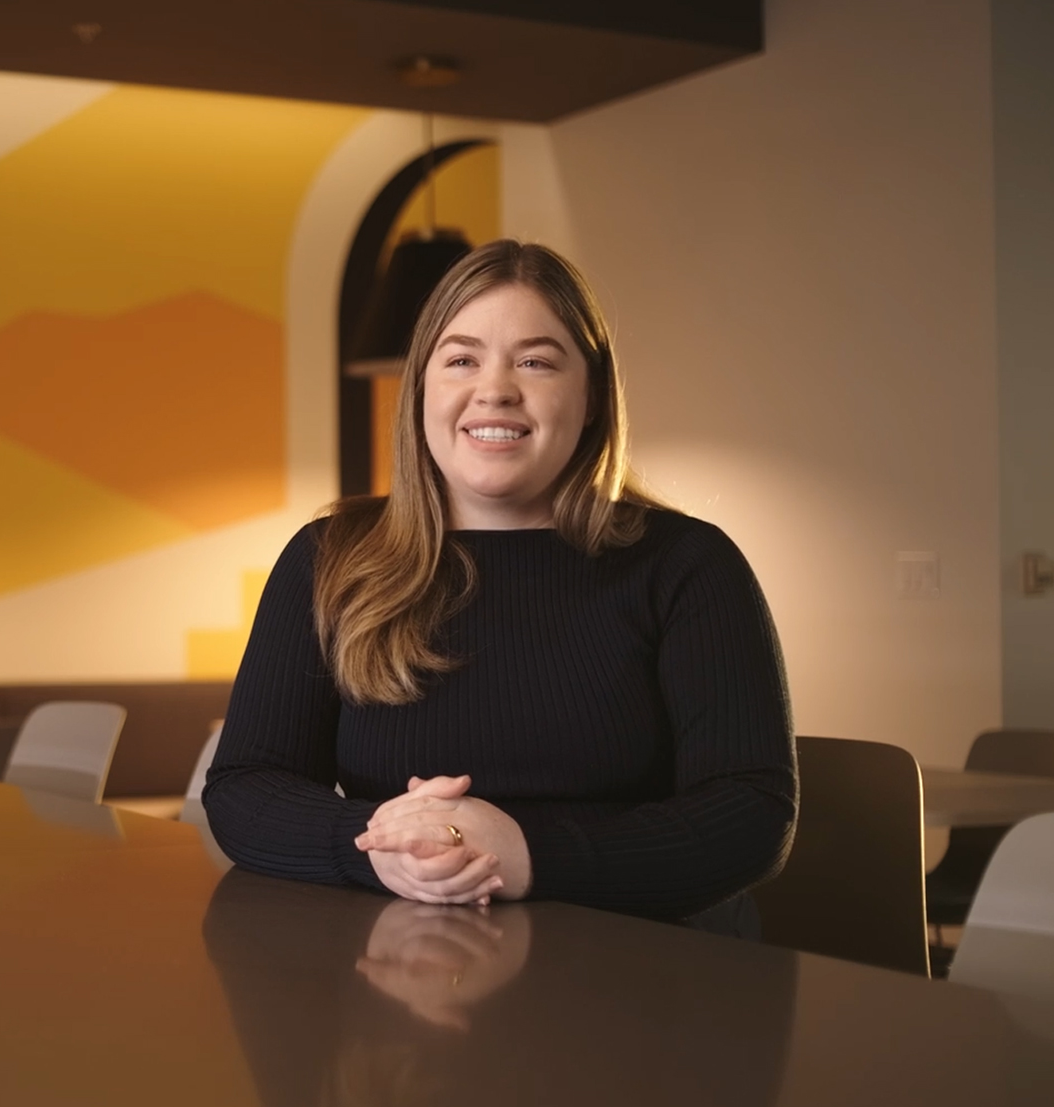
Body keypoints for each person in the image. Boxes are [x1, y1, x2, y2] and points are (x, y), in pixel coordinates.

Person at [201, 240, 795, 924]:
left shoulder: (688, 563)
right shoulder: (327, 558)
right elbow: (246, 787)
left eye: (536, 361)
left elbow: (750, 815)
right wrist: (375, 846)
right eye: (459, 359)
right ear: (421, 388)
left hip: (647, 975)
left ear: (593, 394)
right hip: (400, 966)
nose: (494, 390)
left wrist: (521, 851)